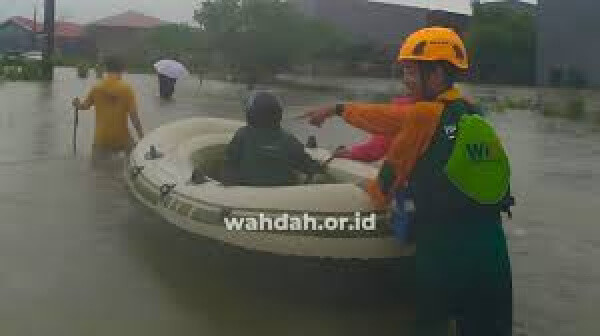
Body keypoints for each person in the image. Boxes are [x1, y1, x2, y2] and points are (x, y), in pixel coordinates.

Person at [303, 27, 513, 335]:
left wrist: (368, 188)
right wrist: (338, 110)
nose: (406, 79)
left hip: (445, 247)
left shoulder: (422, 117)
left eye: (411, 71)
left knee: (432, 324)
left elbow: (385, 181)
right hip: (492, 244)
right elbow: (384, 116)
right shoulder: (474, 111)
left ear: (437, 74)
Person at [223, 91, 324, 186]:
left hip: (248, 192)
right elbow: (308, 164)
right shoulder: (289, 139)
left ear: (250, 114)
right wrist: (318, 169)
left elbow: (230, 163)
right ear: (278, 115)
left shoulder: (242, 135)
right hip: (283, 196)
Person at [72, 56, 144, 163]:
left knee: (97, 171)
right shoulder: (126, 89)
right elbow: (134, 118)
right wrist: (142, 137)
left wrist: (77, 104)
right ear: (122, 69)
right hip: (121, 137)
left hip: (101, 138)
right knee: (136, 160)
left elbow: (84, 106)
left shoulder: (97, 87)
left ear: (106, 69)